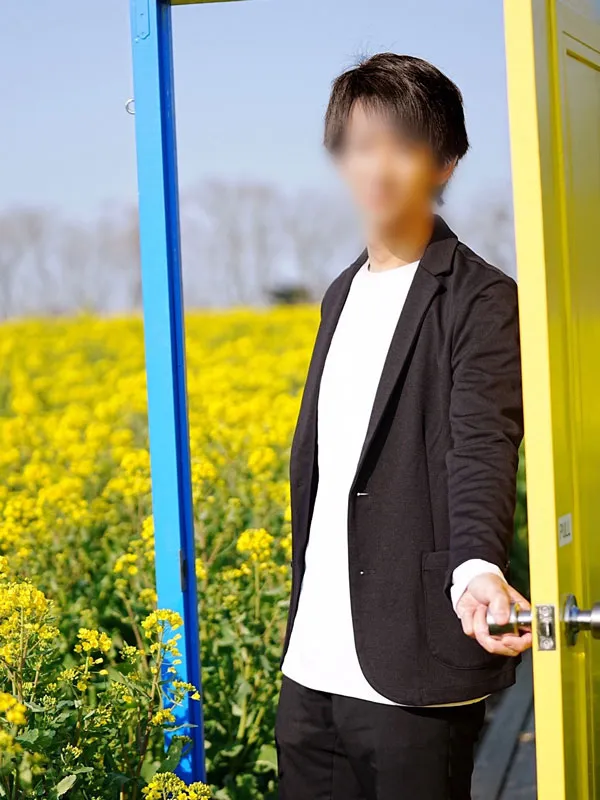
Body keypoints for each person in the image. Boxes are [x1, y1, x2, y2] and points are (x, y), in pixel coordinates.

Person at [275, 53, 532, 800]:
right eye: (361, 146)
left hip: (413, 666)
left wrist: (477, 569)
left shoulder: (481, 298)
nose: (378, 168)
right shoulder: (339, 293)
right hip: (311, 665)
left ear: (445, 162)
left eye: (403, 146)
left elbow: (482, 443)